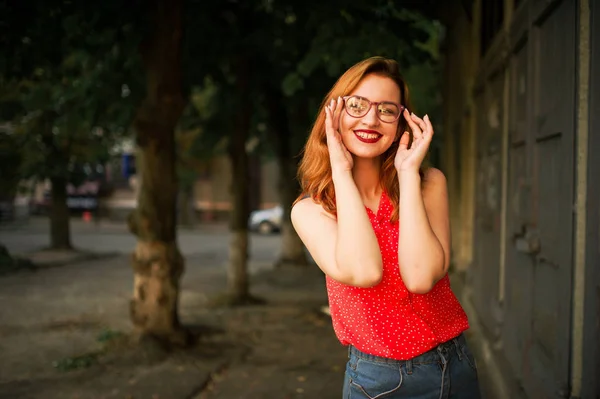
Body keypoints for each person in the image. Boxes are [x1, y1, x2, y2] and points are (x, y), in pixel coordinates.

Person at [291, 56, 481, 398]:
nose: (371, 119)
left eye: (387, 110)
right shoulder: (312, 209)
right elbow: (364, 271)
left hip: (456, 365)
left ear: (401, 124)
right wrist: (340, 170)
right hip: (380, 381)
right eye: (357, 105)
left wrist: (407, 174)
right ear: (333, 114)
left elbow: (421, 278)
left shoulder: (427, 183)